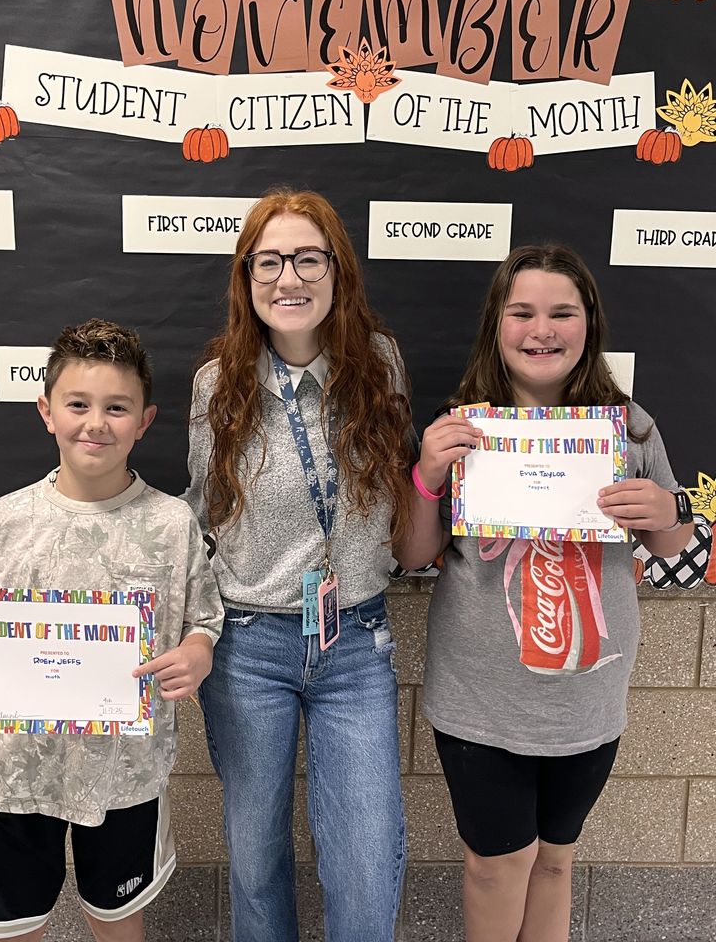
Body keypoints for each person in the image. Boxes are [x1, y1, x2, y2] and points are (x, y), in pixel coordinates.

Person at [395, 245, 694, 942]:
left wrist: (668, 513)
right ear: (495, 326)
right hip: (481, 701)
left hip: (587, 702)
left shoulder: (631, 427)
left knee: (556, 861)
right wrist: (426, 477)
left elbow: (672, 549)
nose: (542, 330)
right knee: (497, 865)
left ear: (589, 324)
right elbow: (411, 557)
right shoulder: (462, 427)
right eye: (522, 312)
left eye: (562, 312)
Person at [184, 188, 414, 942]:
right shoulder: (218, 383)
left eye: (308, 258)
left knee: (365, 861)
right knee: (255, 858)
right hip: (250, 646)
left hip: (356, 643)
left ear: (338, 271)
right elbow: (199, 513)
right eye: (270, 261)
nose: (290, 278)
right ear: (247, 277)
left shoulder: (379, 366)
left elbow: (399, 494)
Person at [0, 318, 224, 942]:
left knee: (118, 915)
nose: (95, 423)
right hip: (18, 771)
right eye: (78, 404)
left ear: (145, 420)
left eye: (116, 408)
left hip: (124, 771)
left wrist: (198, 651)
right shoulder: (6, 521)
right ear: (47, 411)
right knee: (9, 923)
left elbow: (204, 617)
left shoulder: (170, 523)